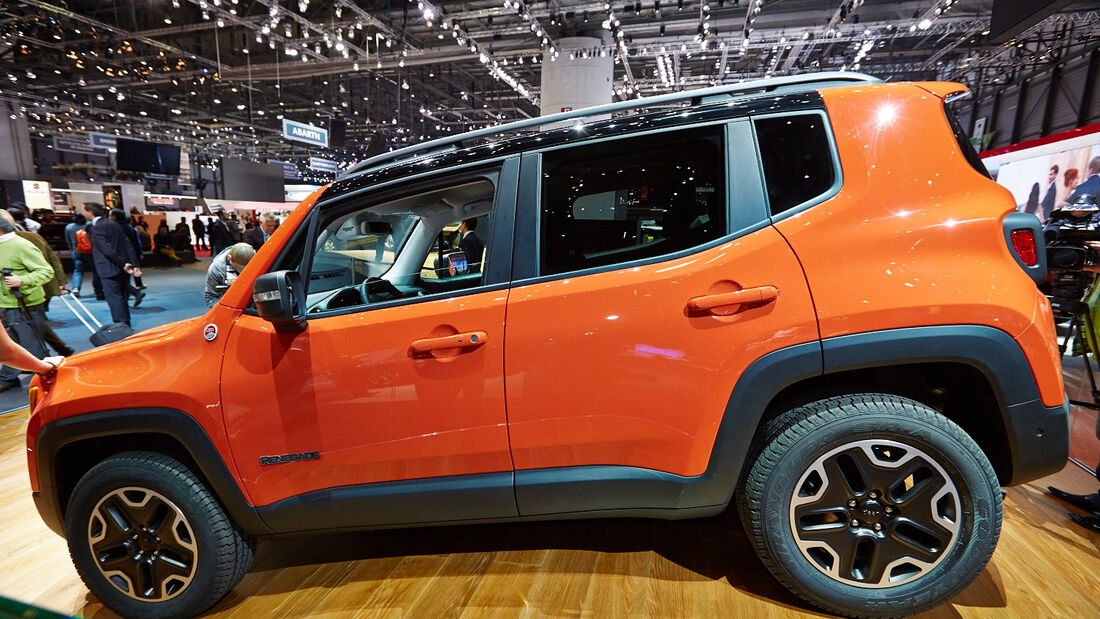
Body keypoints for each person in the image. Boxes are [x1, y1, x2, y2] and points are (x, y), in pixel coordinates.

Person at [0, 211, 56, 392]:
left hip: (26, 304)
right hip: (5, 304)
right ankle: (8, 377)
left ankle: (49, 378)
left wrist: (22, 280)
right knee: (12, 342)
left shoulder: (21, 245)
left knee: (31, 344)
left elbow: (46, 271)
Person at [5, 212, 73, 357]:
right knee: (36, 326)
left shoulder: (22, 241)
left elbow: (48, 265)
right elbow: (53, 259)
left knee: (32, 329)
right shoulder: (32, 236)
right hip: (32, 292)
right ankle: (60, 348)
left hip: (29, 293)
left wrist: (59, 283)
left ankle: (13, 373)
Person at [85, 202, 141, 327]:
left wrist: (123, 263)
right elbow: (128, 245)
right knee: (122, 298)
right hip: (122, 268)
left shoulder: (97, 227)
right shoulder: (114, 224)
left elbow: (107, 249)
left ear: (90, 212)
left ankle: (121, 327)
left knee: (114, 299)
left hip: (109, 268)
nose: (83, 213)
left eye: (85, 211)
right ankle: (125, 324)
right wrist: (133, 264)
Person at [109, 208, 146, 306]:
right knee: (124, 279)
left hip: (119, 257)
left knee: (120, 281)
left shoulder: (114, 228)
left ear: (114, 216)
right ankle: (128, 297)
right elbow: (136, 243)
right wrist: (139, 255)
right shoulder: (131, 228)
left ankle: (134, 293)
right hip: (131, 256)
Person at [204, 243, 255, 308]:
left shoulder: (257, 259)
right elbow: (210, 297)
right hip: (229, 307)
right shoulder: (216, 269)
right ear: (229, 258)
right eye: (239, 267)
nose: (242, 271)